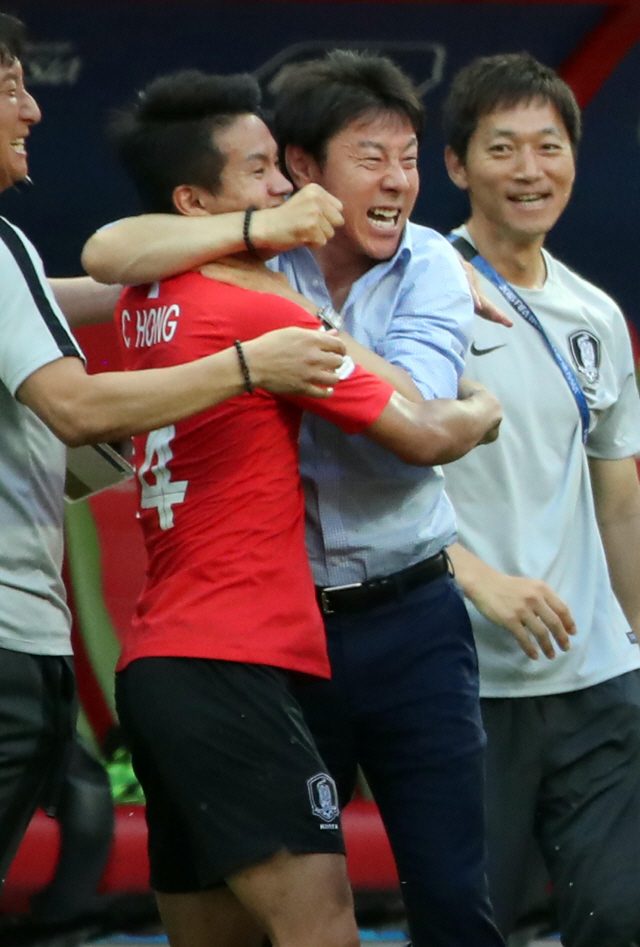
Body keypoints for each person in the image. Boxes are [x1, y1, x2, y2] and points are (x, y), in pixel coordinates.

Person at [83, 50, 507, 947]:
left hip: (319, 628)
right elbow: (423, 430)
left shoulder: (158, 293)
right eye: (265, 168)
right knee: (319, 928)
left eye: (411, 158)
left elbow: (114, 257)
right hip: (249, 649)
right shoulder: (260, 295)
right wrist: (484, 408)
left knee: (421, 901)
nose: (398, 182)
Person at [0, 11, 357, 892]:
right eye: (10, 86)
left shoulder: (47, 275)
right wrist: (248, 364)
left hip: (129, 655)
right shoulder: (262, 318)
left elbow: (103, 269)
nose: (33, 110)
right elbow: (78, 406)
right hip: (126, 646)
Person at [441, 52, 640, 947]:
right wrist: (480, 579)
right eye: (503, 147)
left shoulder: (596, 315)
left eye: (549, 146)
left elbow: (619, 502)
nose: (530, 170)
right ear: (455, 165)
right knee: (470, 925)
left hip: (598, 679)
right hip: (460, 680)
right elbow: (352, 495)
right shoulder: (410, 296)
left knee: (620, 915)